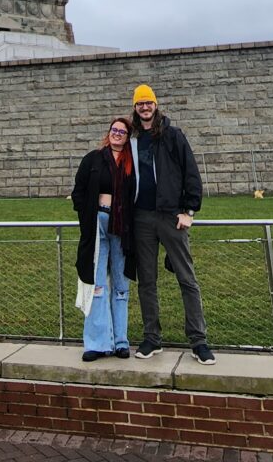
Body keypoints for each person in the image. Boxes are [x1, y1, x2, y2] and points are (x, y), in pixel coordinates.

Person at [130, 84, 216, 365]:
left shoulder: (173, 135)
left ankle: (198, 340)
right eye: (140, 103)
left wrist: (189, 210)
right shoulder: (131, 138)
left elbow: (191, 172)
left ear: (156, 105)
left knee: (187, 278)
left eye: (149, 102)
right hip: (141, 217)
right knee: (147, 281)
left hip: (171, 215)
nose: (145, 107)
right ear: (135, 107)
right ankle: (151, 338)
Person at [71, 117, 136, 361]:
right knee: (97, 286)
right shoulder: (94, 159)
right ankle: (97, 342)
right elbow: (78, 192)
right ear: (108, 133)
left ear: (128, 136)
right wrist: (88, 216)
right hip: (97, 225)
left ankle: (120, 341)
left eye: (122, 131)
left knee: (121, 286)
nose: (117, 133)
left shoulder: (133, 163)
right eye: (114, 130)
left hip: (124, 229)